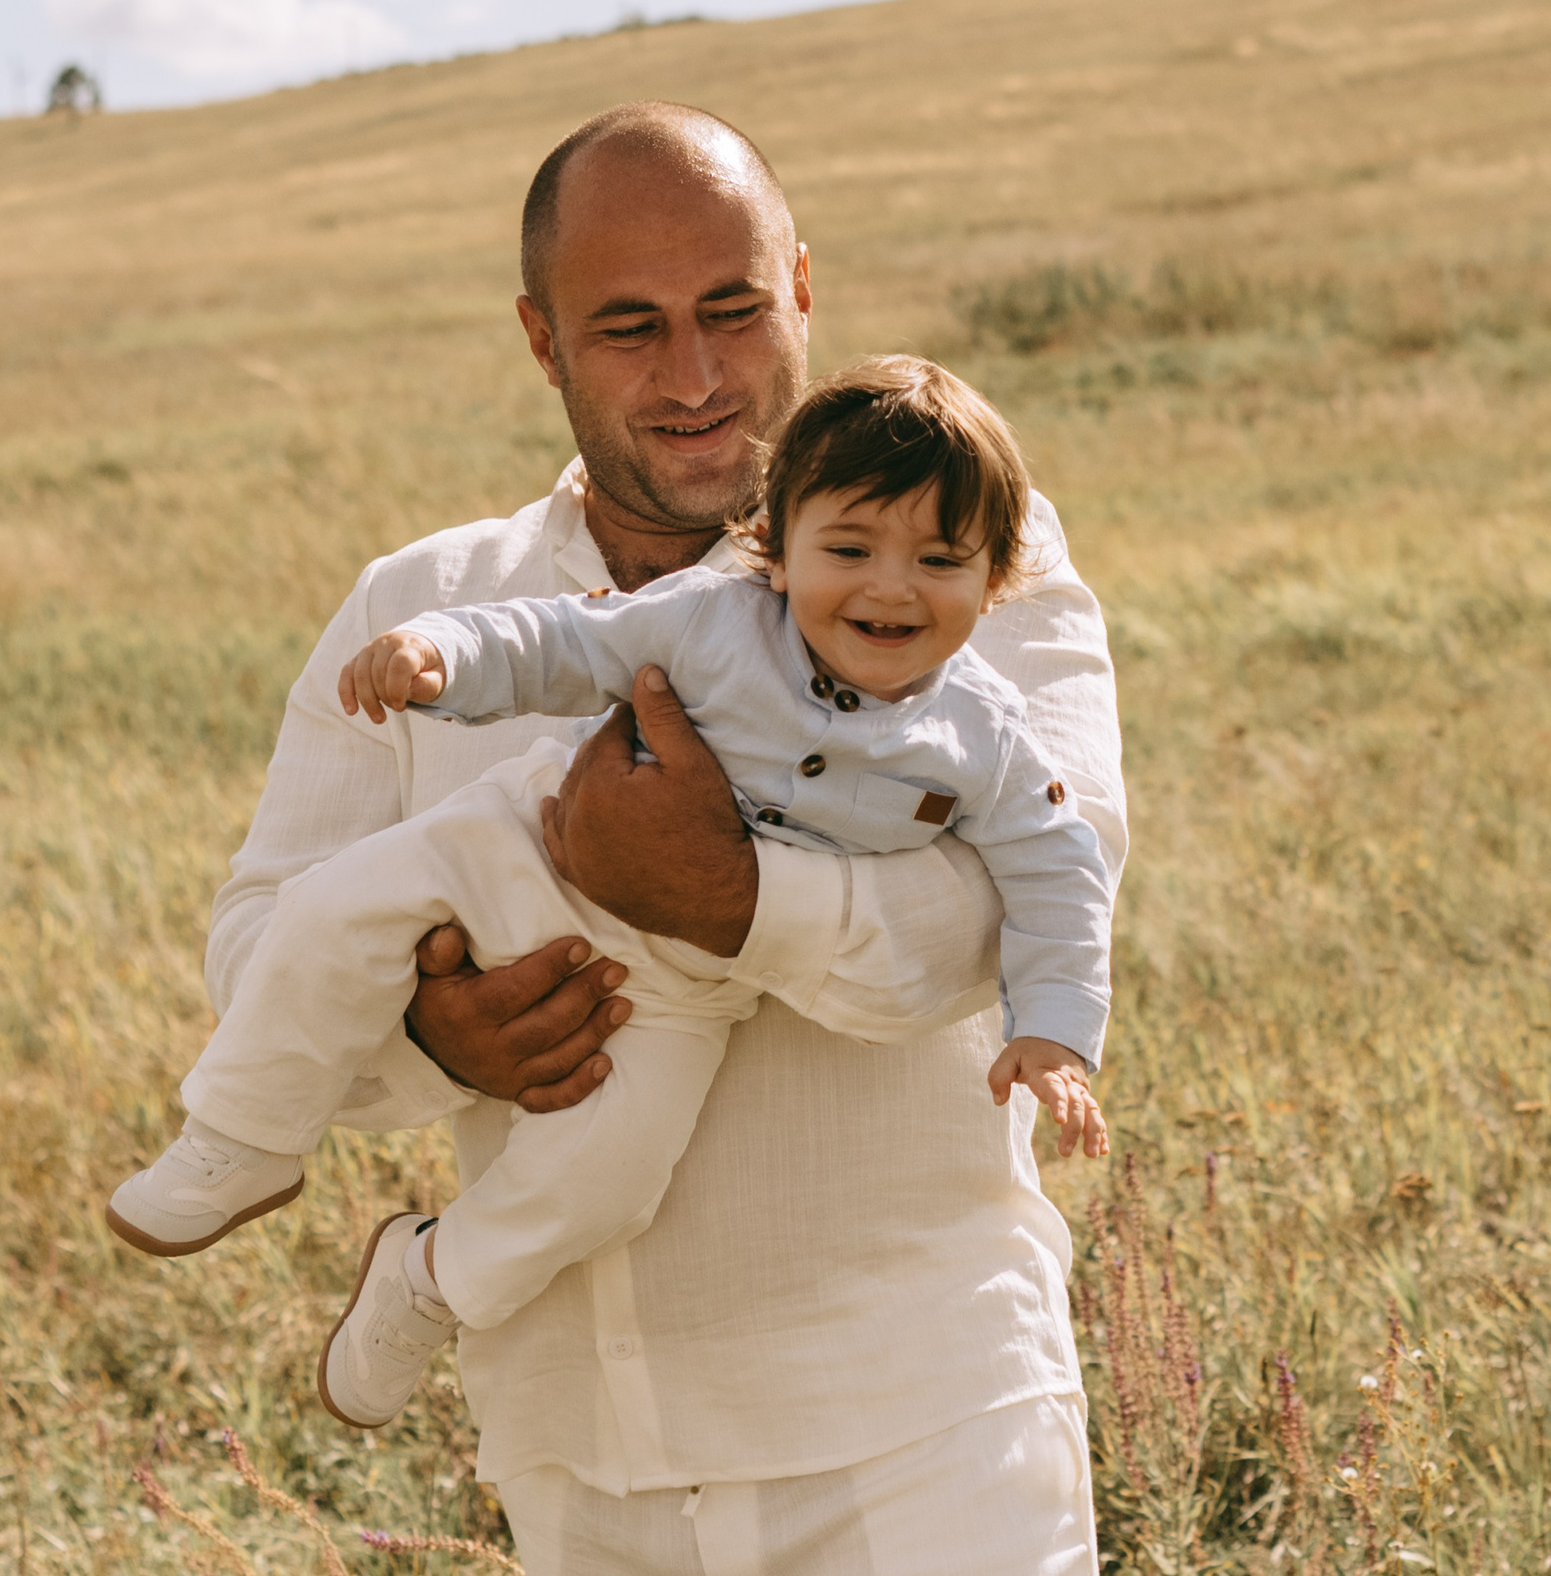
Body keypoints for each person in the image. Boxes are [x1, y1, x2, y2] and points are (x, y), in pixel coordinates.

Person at [198, 103, 1125, 1573]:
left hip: (924, 1436)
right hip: (582, 1464)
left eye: (733, 310)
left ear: (802, 290)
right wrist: (439, 1038)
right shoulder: (421, 611)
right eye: (629, 327)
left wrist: (725, 895)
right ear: (540, 340)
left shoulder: (967, 559)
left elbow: (1006, 918)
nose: (695, 378)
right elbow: (259, 954)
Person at [107, 356, 1115, 1428]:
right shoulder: (710, 618)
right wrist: (440, 651)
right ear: (775, 552)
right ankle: (243, 1139)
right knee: (336, 910)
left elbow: (1061, 867)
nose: (891, 587)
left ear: (993, 578)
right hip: (517, 849)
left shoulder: (986, 737)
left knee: (607, 1177)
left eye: (939, 560)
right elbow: (562, 638)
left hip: (685, 987)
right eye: (849, 550)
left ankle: (433, 1278)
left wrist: (1054, 1032)